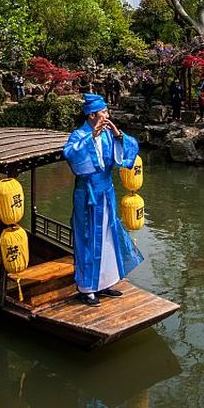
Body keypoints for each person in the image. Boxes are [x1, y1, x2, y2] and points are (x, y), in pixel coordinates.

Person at [62, 93, 143, 307]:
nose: (107, 115)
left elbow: (125, 155)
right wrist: (91, 138)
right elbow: (71, 156)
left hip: (107, 192)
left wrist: (117, 135)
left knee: (108, 235)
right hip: (88, 195)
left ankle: (105, 282)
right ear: (91, 115)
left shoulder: (108, 134)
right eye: (104, 112)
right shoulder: (78, 135)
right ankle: (87, 288)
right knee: (89, 237)